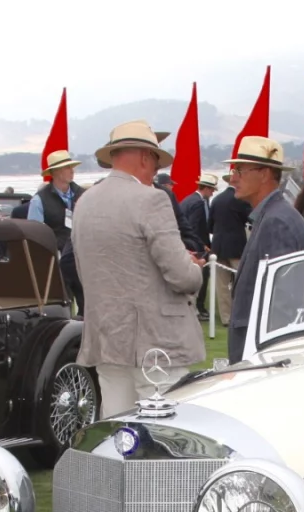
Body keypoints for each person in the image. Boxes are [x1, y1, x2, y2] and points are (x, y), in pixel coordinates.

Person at [74, 120, 204, 416]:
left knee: (117, 427)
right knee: (167, 430)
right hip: (155, 340)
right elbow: (182, 277)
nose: (155, 171)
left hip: (106, 335)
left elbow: (83, 269)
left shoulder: (85, 202)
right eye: (155, 162)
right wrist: (195, 267)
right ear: (146, 157)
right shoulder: (152, 199)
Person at [226, 137, 304, 363]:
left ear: (264, 174)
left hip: (265, 354)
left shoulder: (277, 222)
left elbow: (282, 302)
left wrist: (270, 362)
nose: (233, 178)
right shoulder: (272, 216)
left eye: (240, 170)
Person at [209, 175, 251, 327]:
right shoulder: (240, 199)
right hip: (236, 246)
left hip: (218, 246)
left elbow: (210, 224)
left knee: (221, 285)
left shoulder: (217, 200)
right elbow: (250, 218)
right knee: (241, 281)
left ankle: (226, 317)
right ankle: (241, 313)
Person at [27, 150, 84, 253]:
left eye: (72, 167)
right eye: (67, 167)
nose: (72, 171)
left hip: (83, 252)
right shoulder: (39, 200)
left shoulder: (83, 194)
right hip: (56, 255)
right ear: (55, 172)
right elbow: (34, 236)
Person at [180, 172, 217, 320]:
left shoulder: (190, 200)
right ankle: (198, 308)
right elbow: (194, 227)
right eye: (212, 189)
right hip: (195, 246)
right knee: (201, 277)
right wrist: (202, 245)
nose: (213, 192)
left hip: (188, 244)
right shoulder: (197, 203)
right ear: (206, 188)